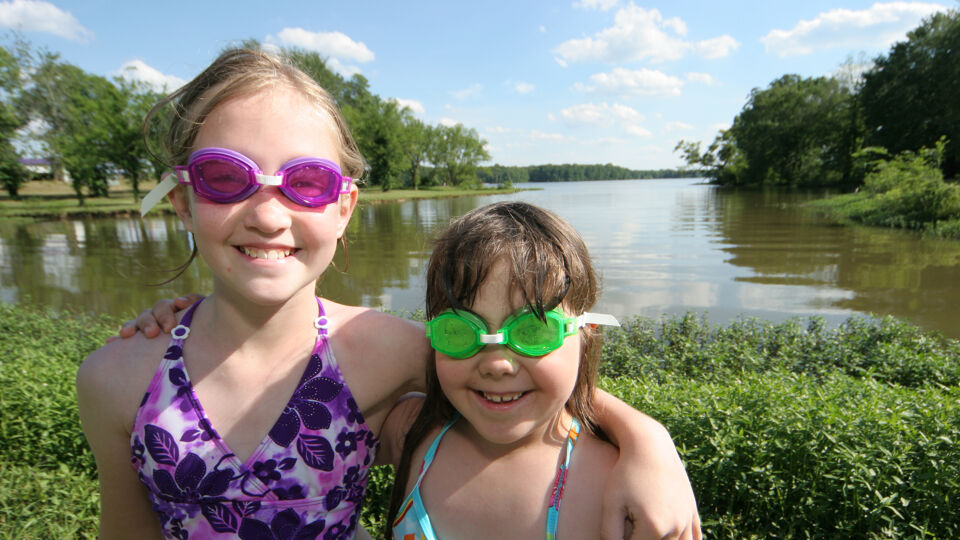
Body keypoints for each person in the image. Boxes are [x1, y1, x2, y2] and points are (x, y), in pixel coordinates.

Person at [86, 47, 699, 540]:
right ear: (181, 200)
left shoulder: (381, 348)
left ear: (345, 205)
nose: (269, 218)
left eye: (306, 182)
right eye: (227, 178)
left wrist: (650, 440)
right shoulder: (116, 377)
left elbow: (515, 365)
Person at [378, 201, 635, 539]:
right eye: (460, 331)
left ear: (586, 336)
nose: (497, 363)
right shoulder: (410, 432)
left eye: (534, 330)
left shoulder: (616, 483)